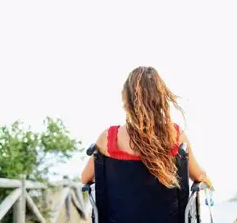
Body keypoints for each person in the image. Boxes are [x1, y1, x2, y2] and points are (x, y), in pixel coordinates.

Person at [81, 66, 214, 191]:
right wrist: (205, 178)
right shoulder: (175, 136)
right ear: (159, 98)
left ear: (126, 97)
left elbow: (85, 178)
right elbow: (198, 176)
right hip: (169, 215)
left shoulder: (108, 138)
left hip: (117, 216)